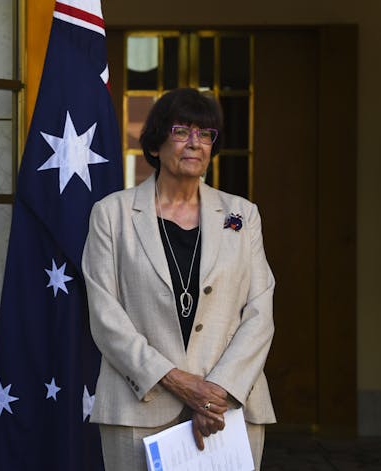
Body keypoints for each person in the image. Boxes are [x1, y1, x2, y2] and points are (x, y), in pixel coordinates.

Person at [82, 88, 275, 469]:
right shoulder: (111, 214)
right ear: (155, 144)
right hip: (140, 406)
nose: (195, 143)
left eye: (205, 134)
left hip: (228, 408)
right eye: (181, 131)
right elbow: (106, 316)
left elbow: (260, 310)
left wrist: (214, 392)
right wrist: (177, 381)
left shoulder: (242, 215)